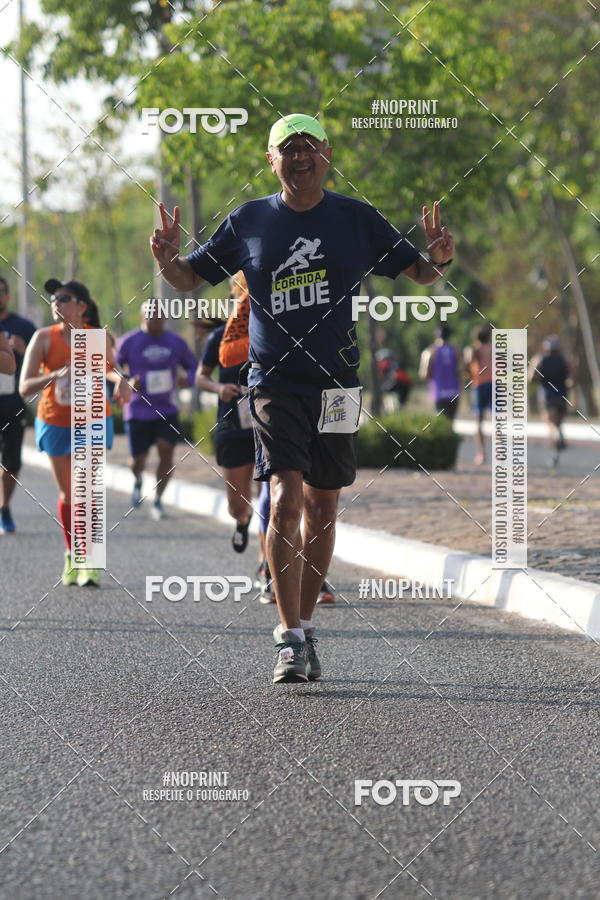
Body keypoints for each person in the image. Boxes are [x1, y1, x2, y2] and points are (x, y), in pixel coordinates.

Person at [149, 112, 454, 683]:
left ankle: (307, 627)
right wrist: (166, 258)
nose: (299, 156)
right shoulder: (250, 220)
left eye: (308, 146)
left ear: (327, 154)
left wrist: (438, 257)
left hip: (337, 385)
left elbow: (417, 273)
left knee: (323, 506)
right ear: (271, 160)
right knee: (286, 498)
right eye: (287, 148)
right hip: (273, 384)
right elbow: (190, 279)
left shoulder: (354, 218)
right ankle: (288, 638)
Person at [19, 278, 130, 586]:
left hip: (91, 419)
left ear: (81, 305)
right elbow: (24, 386)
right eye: (53, 298)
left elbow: (109, 367)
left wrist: (121, 378)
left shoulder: (96, 336)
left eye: (63, 297)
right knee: (69, 493)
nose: (56, 302)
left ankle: (89, 560)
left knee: (88, 491)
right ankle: (71, 553)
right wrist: (54, 374)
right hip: (55, 420)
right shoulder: (43, 338)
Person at [116, 300, 197, 520]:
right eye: (151, 315)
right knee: (138, 459)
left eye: (160, 315)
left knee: (166, 452)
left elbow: (193, 367)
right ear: (142, 316)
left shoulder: (175, 342)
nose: (156, 318)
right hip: (137, 409)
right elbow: (113, 369)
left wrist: (186, 380)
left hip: (166, 408)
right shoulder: (129, 342)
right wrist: (128, 380)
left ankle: (159, 499)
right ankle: (138, 478)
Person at [195, 274, 255, 552]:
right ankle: (243, 520)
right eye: (243, 294)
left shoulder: (273, 334)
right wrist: (219, 388)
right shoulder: (220, 337)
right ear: (234, 297)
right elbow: (200, 377)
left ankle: (267, 565)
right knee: (236, 504)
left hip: (270, 420)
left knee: (275, 493)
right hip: (233, 421)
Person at [0, 276, 36, 534]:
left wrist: (21, 351)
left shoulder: (23, 326)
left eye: (2, 291)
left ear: (8, 296)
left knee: (11, 464)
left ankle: (4, 507)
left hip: (12, 404)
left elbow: (41, 364)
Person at [529, 335, 571, 466]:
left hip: (547, 396)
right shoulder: (564, 360)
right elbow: (572, 377)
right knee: (558, 423)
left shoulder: (539, 359)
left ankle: (554, 454)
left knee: (550, 424)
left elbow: (530, 378)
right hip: (562, 395)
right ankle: (559, 436)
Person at [419, 325, 461, 421]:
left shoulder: (430, 351)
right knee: (451, 421)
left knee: (441, 421)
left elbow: (424, 374)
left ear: (436, 335)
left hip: (438, 391)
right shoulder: (456, 351)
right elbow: (461, 371)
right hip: (453, 391)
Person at [464, 327, 492, 465]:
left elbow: (467, 364)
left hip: (479, 385)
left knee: (478, 420)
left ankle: (481, 453)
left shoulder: (473, 349)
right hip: (494, 384)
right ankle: (500, 453)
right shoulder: (494, 349)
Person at [376, 348, 412, 413]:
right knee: (400, 405)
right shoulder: (393, 362)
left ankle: (388, 412)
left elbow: (390, 378)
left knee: (383, 390)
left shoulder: (386, 363)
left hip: (400, 382)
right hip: (406, 383)